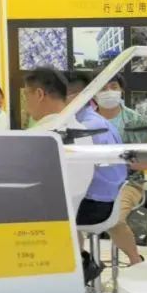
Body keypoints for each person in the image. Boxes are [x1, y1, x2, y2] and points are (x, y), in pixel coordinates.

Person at [22, 67, 124, 281]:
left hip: (42, 234)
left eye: (26, 96)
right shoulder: (82, 132)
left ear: (39, 94)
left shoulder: (40, 137)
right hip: (71, 220)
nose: (25, 104)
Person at [90, 74, 147, 265]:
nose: (108, 92)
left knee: (114, 219)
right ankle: (83, 264)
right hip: (90, 182)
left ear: (121, 90)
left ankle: (136, 261)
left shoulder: (135, 121)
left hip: (128, 183)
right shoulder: (85, 121)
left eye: (113, 87)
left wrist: (119, 162)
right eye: (102, 88)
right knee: (68, 218)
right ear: (93, 93)